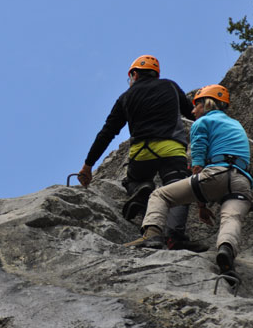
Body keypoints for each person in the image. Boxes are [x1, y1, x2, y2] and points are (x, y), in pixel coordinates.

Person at [78, 54, 207, 252]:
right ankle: (175, 238)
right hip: (171, 150)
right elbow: (194, 115)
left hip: (141, 153)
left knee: (134, 181)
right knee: (179, 190)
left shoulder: (125, 97)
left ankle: (143, 192)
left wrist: (88, 165)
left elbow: (107, 132)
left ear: (135, 74)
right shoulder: (170, 86)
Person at [124, 84, 253, 278]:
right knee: (232, 218)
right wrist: (201, 205)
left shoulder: (202, 123)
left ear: (206, 104)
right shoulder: (236, 125)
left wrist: (198, 186)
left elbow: (198, 160)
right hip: (242, 180)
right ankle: (226, 251)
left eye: (195, 105)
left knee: (160, 194)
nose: (192, 111)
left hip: (216, 173)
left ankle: (152, 235)